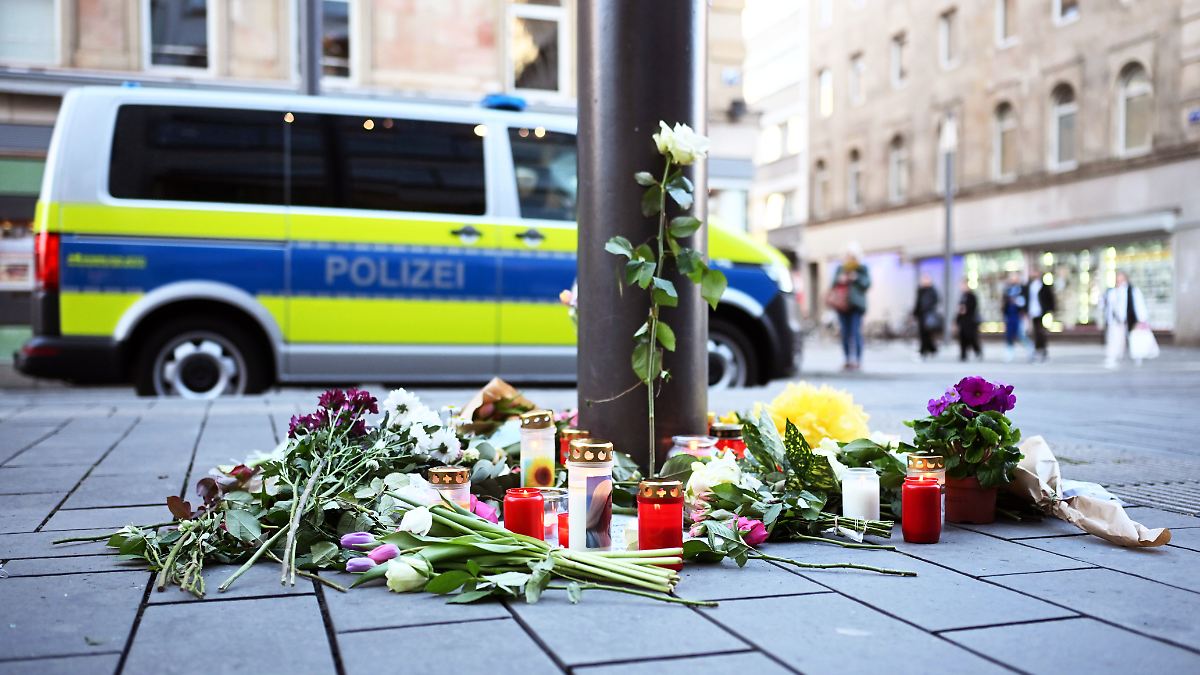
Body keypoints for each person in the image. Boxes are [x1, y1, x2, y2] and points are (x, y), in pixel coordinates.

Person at [829, 242, 871, 370]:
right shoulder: (840, 269)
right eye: (847, 255)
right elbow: (833, 284)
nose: (849, 258)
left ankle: (858, 360)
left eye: (851, 255)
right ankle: (847, 359)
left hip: (856, 305)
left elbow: (867, 284)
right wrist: (840, 279)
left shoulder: (862, 269)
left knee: (855, 332)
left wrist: (856, 278)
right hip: (841, 305)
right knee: (845, 333)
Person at [1100, 271, 1150, 369]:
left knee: (1134, 338)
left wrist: (1141, 319)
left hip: (1130, 319)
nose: (1119, 281)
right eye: (1118, 279)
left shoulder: (1133, 291)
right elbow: (1104, 305)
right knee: (1114, 339)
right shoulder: (1111, 291)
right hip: (1114, 320)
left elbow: (1139, 305)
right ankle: (1113, 356)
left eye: (1121, 279)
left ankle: (1137, 356)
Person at [1025, 271, 1056, 362]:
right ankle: (1037, 349)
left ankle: (1042, 350)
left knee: (1041, 331)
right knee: (1035, 332)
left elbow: (1050, 298)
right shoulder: (1030, 286)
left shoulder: (1043, 286)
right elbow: (1027, 298)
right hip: (1033, 311)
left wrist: (1051, 310)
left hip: (1042, 311)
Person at [1001, 272, 1031, 362]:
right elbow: (1004, 302)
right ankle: (1009, 353)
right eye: (1012, 278)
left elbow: (1025, 302)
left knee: (1021, 334)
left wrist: (1023, 310)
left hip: (1018, 316)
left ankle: (1030, 349)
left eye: (1015, 278)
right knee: (1009, 335)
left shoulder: (1022, 289)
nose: (1013, 279)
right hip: (1009, 316)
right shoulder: (1007, 289)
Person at [913, 274, 941, 359]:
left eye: (926, 279)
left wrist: (929, 308)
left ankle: (923, 352)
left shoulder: (932, 290)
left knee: (926, 334)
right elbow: (918, 303)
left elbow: (936, 301)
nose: (924, 281)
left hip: (928, 315)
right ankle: (932, 350)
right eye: (923, 279)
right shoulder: (920, 290)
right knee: (923, 334)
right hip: (921, 315)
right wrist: (915, 312)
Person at [956, 279, 982, 361]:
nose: (962, 287)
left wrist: (965, 309)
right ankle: (963, 355)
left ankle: (977, 351)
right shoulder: (962, 296)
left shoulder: (972, 296)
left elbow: (973, 308)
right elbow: (959, 309)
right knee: (962, 338)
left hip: (970, 321)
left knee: (971, 337)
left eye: (963, 285)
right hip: (963, 321)